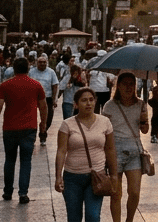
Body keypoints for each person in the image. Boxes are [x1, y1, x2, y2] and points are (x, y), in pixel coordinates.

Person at [55, 88, 119, 222]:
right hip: (72, 178)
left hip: (97, 177)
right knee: (74, 217)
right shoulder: (67, 125)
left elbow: (110, 149)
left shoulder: (105, 122)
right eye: (84, 100)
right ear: (76, 104)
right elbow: (61, 151)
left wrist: (113, 175)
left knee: (93, 216)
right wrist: (58, 176)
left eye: (91, 100)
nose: (88, 103)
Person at [0, 58, 50, 204]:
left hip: (9, 128)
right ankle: (23, 193)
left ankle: (7, 191)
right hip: (29, 129)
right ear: (28, 69)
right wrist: (43, 124)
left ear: (14, 69)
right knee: (26, 161)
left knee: (9, 160)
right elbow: (43, 107)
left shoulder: (5, 85)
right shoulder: (36, 85)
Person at [101, 73, 150, 222]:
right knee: (116, 192)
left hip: (134, 150)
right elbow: (103, 130)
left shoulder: (141, 104)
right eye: (125, 84)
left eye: (132, 84)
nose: (128, 87)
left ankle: (129, 219)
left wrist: (143, 120)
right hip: (114, 149)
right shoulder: (110, 105)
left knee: (134, 192)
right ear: (118, 86)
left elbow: (145, 130)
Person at [30, 55, 62, 144]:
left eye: (44, 62)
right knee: (31, 117)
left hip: (47, 98)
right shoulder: (31, 72)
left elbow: (55, 85)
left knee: (48, 118)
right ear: (37, 63)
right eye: (40, 62)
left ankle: (43, 133)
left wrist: (54, 99)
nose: (42, 64)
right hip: (34, 98)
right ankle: (31, 136)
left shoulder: (51, 72)